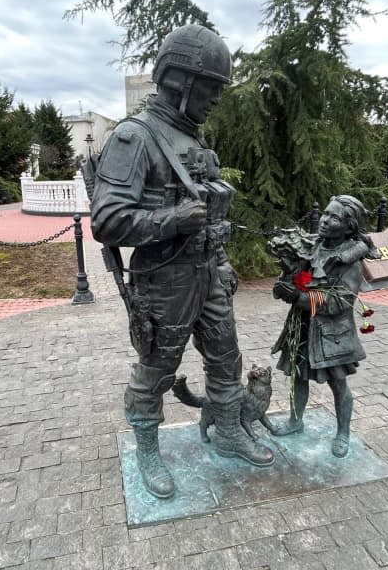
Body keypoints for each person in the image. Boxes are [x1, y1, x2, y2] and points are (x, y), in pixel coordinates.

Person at [91, 25, 274, 499]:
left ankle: (230, 431)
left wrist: (224, 262)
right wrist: (172, 218)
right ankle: (148, 449)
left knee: (226, 358)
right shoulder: (135, 138)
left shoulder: (193, 140)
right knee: (157, 369)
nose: (215, 99)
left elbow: (212, 214)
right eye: (211, 88)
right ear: (180, 81)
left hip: (209, 272)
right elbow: (107, 220)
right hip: (163, 281)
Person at [271, 195, 378, 458]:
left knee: (338, 384)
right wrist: (289, 281)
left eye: (334, 217)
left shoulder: (350, 260)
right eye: (325, 214)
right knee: (297, 377)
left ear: (349, 226)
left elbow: (340, 300)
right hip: (303, 327)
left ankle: (343, 432)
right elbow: (306, 276)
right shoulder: (314, 246)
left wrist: (299, 297)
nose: (324, 221)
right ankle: (295, 421)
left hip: (332, 335)